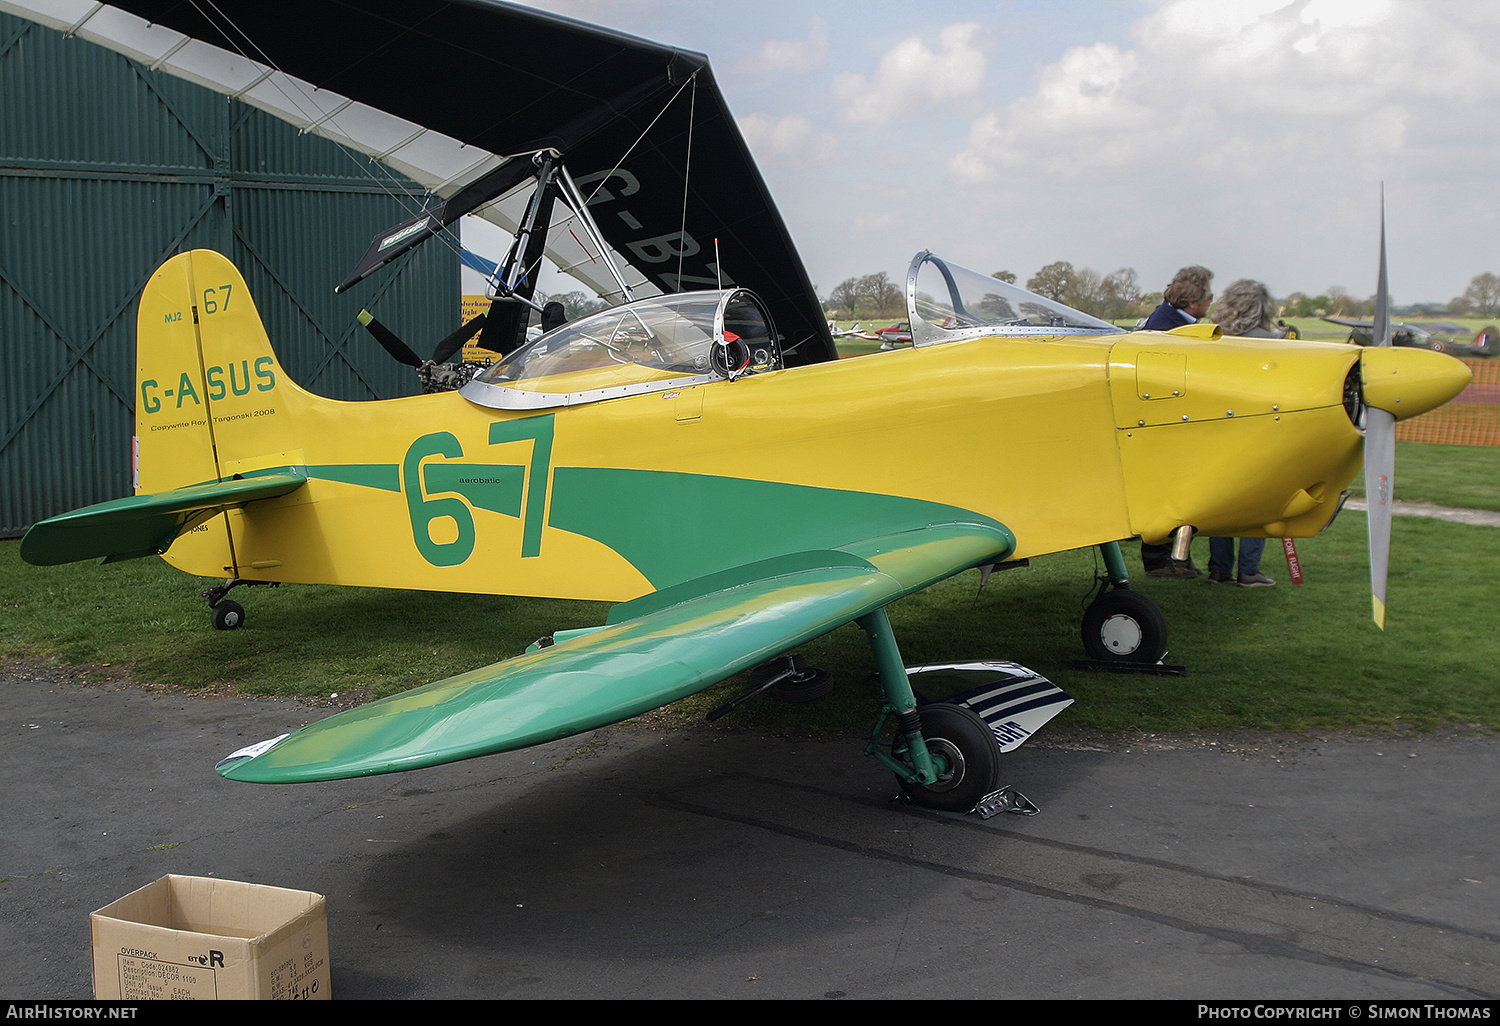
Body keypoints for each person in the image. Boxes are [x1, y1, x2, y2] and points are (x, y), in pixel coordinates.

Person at [1139, 266, 1214, 577]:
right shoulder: (1167, 327)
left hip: (1174, 421)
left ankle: (1175, 558)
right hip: (1164, 423)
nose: (1212, 302)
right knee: (1166, 493)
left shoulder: (1168, 319)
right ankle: (1158, 560)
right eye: (1209, 297)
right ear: (1193, 303)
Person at [1206, 279, 1278, 587]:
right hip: (1258, 430)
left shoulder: (1214, 340)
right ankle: (1249, 570)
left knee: (1223, 502)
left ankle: (1219, 569)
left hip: (1219, 430)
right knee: (1257, 503)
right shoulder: (1268, 343)